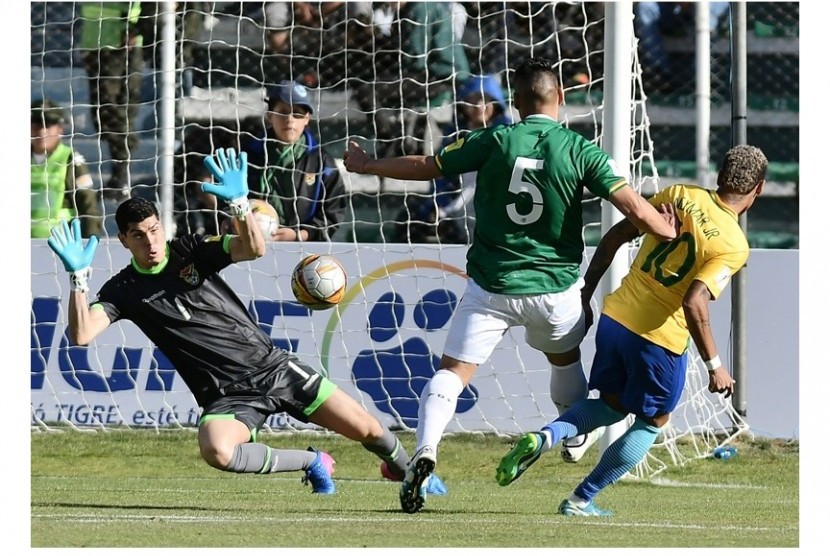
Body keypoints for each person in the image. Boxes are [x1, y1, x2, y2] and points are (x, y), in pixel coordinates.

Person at [343, 57, 679, 513]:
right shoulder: (581, 150)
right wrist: (668, 229)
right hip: (555, 291)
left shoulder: (494, 138)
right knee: (564, 359)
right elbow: (635, 209)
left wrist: (369, 163)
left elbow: (428, 165)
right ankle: (573, 436)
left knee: (451, 374)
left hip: (491, 287)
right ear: (561, 97)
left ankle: (425, 451)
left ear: (516, 104)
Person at [45, 146, 446, 497]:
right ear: (124, 241)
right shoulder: (123, 289)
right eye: (138, 236)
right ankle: (311, 462)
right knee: (217, 450)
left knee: (369, 430)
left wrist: (240, 204)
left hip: (273, 368)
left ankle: (409, 470)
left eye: (153, 230)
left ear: (161, 227)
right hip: (227, 395)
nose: (150, 242)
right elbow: (82, 334)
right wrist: (78, 280)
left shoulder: (189, 250)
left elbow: (252, 248)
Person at [496, 144, 767, 517]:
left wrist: (586, 291)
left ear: (719, 176)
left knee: (612, 405)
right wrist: (715, 365)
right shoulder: (734, 244)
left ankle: (544, 437)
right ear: (759, 190)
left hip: (615, 318)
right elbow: (694, 302)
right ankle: (580, 499)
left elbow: (615, 236)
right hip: (658, 338)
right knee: (653, 420)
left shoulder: (679, 195)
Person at [392, 74, 513, 244]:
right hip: (455, 209)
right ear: (462, 104)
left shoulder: (508, 137)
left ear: (496, 103)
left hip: (493, 208)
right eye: (473, 100)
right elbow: (441, 176)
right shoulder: (455, 136)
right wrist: (438, 206)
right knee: (408, 219)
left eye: (485, 100)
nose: (479, 106)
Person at [353, 1, 471, 157]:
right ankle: (393, 137)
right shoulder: (408, 9)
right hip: (430, 73)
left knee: (366, 89)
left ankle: (390, 140)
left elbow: (415, 58)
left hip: (440, 77)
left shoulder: (419, 9)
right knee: (369, 82)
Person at [243, 80, 347, 242]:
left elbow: (333, 213)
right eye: (283, 112)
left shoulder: (322, 163)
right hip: (251, 242)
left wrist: (300, 235)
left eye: (297, 113)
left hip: (303, 248)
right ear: (270, 116)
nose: (290, 119)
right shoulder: (248, 155)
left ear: (307, 118)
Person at [79, 1, 146, 200]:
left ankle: (121, 174)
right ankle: (119, 176)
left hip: (121, 41)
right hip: (97, 41)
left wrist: (136, 28)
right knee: (104, 112)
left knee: (114, 108)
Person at [31, 98, 103, 239]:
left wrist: (91, 242)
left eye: (49, 124)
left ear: (60, 129)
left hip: (60, 243)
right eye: (37, 124)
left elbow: (88, 205)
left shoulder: (71, 159)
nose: (42, 130)